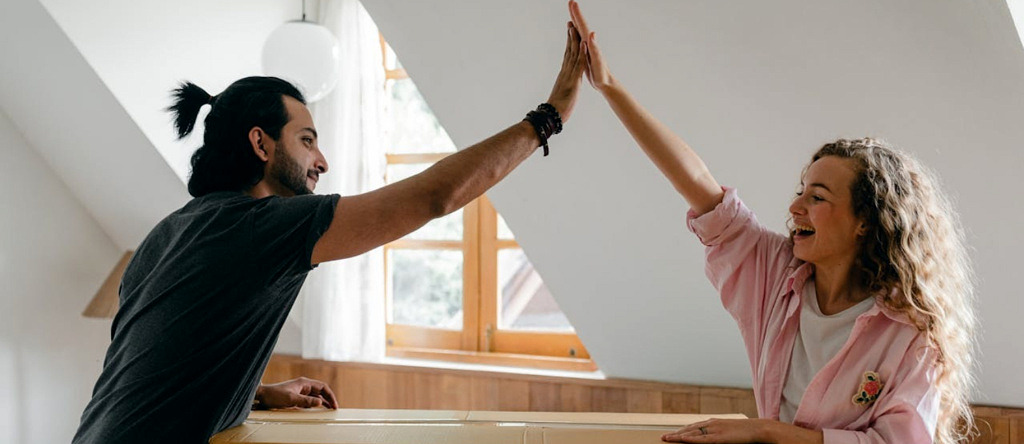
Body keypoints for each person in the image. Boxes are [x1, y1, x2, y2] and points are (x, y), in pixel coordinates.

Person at [72, 20, 588, 443]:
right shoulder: (263, 226)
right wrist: (550, 116)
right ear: (261, 143)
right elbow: (437, 197)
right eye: (307, 139)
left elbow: (154, 367)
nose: (323, 160)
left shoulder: (169, 233)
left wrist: (256, 390)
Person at [566, 2, 977, 443]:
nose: (796, 206)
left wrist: (767, 432)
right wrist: (609, 88)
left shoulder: (911, 333)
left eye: (817, 197)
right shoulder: (774, 272)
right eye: (802, 189)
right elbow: (697, 182)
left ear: (866, 222)